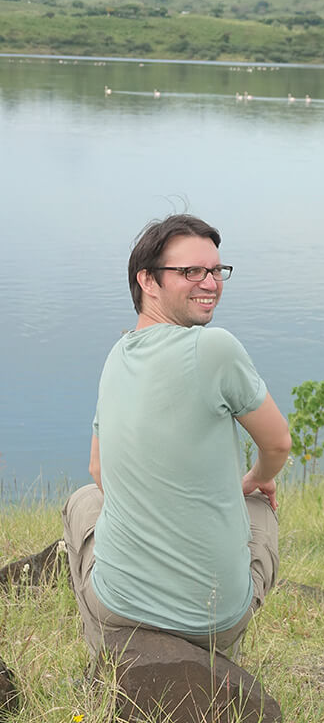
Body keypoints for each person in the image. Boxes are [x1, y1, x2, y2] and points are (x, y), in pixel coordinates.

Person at [62, 214, 292, 661]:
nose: (210, 283)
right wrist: (256, 479)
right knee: (260, 505)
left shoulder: (116, 355)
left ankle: (105, 654)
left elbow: (98, 470)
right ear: (147, 280)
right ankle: (213, 660)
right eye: (191, 272)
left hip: (119, 607)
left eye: (216, 270)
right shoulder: (215, 348)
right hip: (214, 620)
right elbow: (278, 444)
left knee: (83, 501)